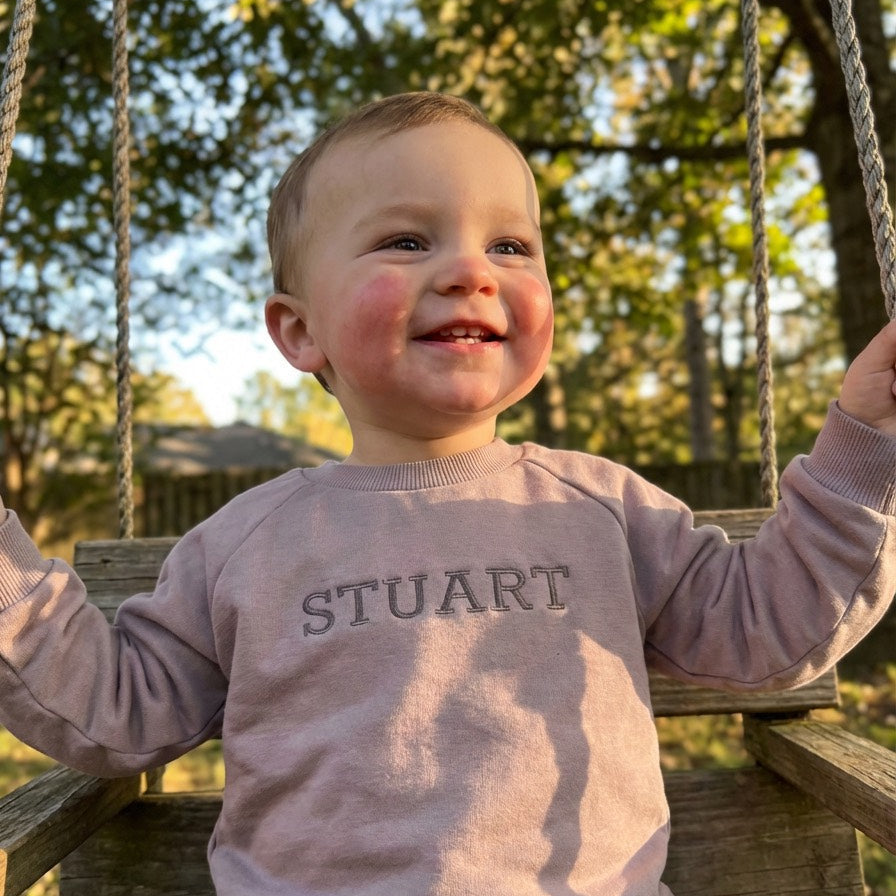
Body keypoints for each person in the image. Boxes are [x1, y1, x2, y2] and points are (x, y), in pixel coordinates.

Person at [0, 92, 894, 896]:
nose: (472, 271)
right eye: (406, 240)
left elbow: (769, 628)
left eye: (509, 244)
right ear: (300, 329)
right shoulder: (251, 543)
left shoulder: (596, 509)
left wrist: (866, 443)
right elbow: (117, 707)